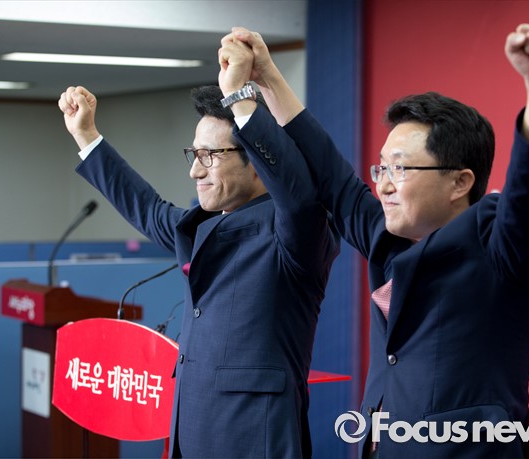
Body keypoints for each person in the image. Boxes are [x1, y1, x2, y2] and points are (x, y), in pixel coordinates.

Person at [222, 23, 529, 458]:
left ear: (460, 182)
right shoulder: (389, 240)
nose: (384, 184)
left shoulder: (501, 249)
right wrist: (266, 78)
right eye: (382, 168)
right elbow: (330, 173)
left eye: (400, 169)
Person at [58, 81, 339, 457]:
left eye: (209, 156)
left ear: (259, 160)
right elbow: (147, 207)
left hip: (252, 441)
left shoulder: (295, 233)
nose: (195, 171)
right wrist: (87, 135)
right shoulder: (202, 227)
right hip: (191, 432)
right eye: (194, 154)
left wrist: (246, 106)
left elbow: (300, 199)